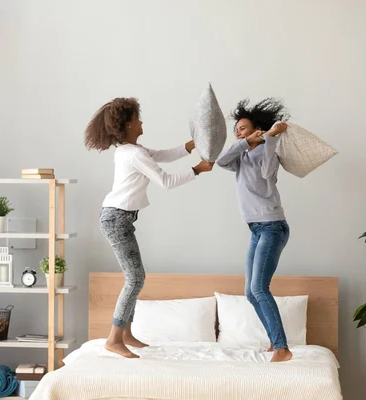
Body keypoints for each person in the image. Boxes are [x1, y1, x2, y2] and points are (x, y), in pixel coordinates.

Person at [85, 97, 214, 358]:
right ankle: (113, 338)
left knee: (135, 277)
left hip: (118, 217)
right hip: (117, 219)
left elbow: (162, 156)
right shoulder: (134, 154)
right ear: (128, 125)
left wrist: (190, 146)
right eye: (137, 118)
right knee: (135, 278)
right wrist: (197, 170)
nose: (142, 121)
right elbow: (165, 181)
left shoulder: (131, 151)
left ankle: (126, 333)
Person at [216, 98, 292, 362]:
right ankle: (276, 343)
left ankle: (282, 347)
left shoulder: (265, 152)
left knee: (259, 287)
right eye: (236, 128)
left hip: (272, 226)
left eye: (243, 128)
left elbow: (269, 172)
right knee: (251, 292)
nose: (238, 131)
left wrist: (269, 139)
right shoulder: (241, 155)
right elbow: (220, 161)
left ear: (258, 129)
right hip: (257, 229)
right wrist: (245, 142)